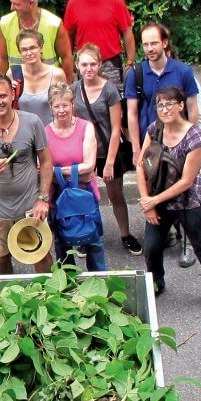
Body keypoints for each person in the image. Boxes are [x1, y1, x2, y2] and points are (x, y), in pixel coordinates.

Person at [136, 87, 201, 313]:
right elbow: (141, 165)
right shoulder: (154, 129)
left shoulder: (194, 136)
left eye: (169, 104)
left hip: (190, 203)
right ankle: (156, 283)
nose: (165, 109)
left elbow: (186, 181)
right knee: (151, 247)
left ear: (180, 106)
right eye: (160, 105)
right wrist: (147, 201)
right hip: (159, 200)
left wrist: (153, 200)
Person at [0, 73, 54, 274]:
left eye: (3, 96)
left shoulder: (32, 122)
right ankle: (6, 294)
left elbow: (46, 161)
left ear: (12, 95)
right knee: (0, 259)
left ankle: (48, 292)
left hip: (30, 206)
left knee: (41, 256)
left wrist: (43, 199)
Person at [73, 44, 142, 255]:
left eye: (93, 64)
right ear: (77, 65)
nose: (89, 68)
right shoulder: (74, 89)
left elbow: (115, 129)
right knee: (85, 196)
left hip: (107, 152)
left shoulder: (110, 90)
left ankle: (125, 234)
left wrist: (110, 162)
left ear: (100, 65)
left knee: (115, 195)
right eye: (84, 64)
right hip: (85, 153)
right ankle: (86, 235)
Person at [45, 82, 106, 271]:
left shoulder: (86, 127)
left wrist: (57, 171)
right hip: (58, 198)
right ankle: (68, 283)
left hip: (85, 194)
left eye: (65, 105)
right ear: (50, 106)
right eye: (57, 106)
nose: (61, 110)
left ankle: (99, 281)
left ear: (73, 104)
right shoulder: (45, 132)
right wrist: (75, 172)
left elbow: (89, 166)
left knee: (93, 243)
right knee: (62, 245)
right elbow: (42, 170)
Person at [125, 22, 199, 166]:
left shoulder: (183, 71)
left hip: (179, 143)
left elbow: (192, 110)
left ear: (164, 43)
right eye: (145, 44)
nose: (149, 49)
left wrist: (193, 144)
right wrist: (136, 149)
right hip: (149, 144)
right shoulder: (135, 74)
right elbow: (132, 113)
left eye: (154, 43)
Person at [64, 0, 136, 91]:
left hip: (110, 63)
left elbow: (127, 31)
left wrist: (130, 62)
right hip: (85, 64)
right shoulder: (73, 5)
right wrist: (69, 63)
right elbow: (68, 36)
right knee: (86, 98)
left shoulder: (116, 2)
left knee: (115, 98)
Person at [0, 0, 74, 82]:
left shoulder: (54, 24)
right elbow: (2, 58)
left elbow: (66, 57)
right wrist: (3, 85)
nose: (12, 8)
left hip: (49, 82)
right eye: (12, 3)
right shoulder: (5, 23)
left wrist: (67, 86)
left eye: (16, 4)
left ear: (31, 3)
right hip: (18, 83)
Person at [9, 29, 66, 125]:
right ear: (20, 52)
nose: (29, 53)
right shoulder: (13, 73)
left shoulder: (57, 74)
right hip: (24, 131)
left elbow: (66, 106)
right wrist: (9, 92)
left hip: (51, 131)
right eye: (24, 49)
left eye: (33, 48)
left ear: (41, 48)